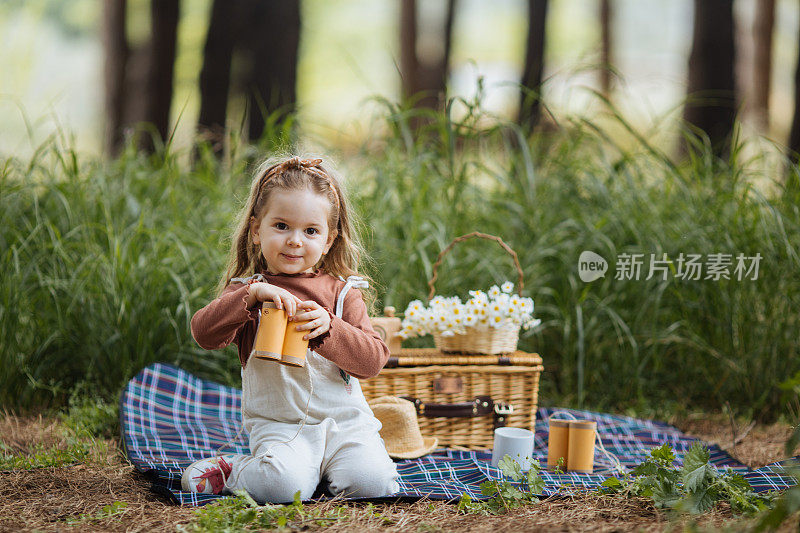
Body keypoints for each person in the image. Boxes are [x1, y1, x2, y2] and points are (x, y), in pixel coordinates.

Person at [182, 155, 400, 503]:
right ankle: (232, 469)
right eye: (281, 226)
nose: (295, 241)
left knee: (373, 485)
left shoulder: (343, 293)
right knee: (282, 487)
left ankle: (323, 470)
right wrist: (250, 296)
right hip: (281, 426)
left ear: (329, 240)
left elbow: (373, 361)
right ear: (256, 230)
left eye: (311, 231)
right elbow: (203, 333)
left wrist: (330, 329)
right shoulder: (247, 290)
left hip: (346, 424)